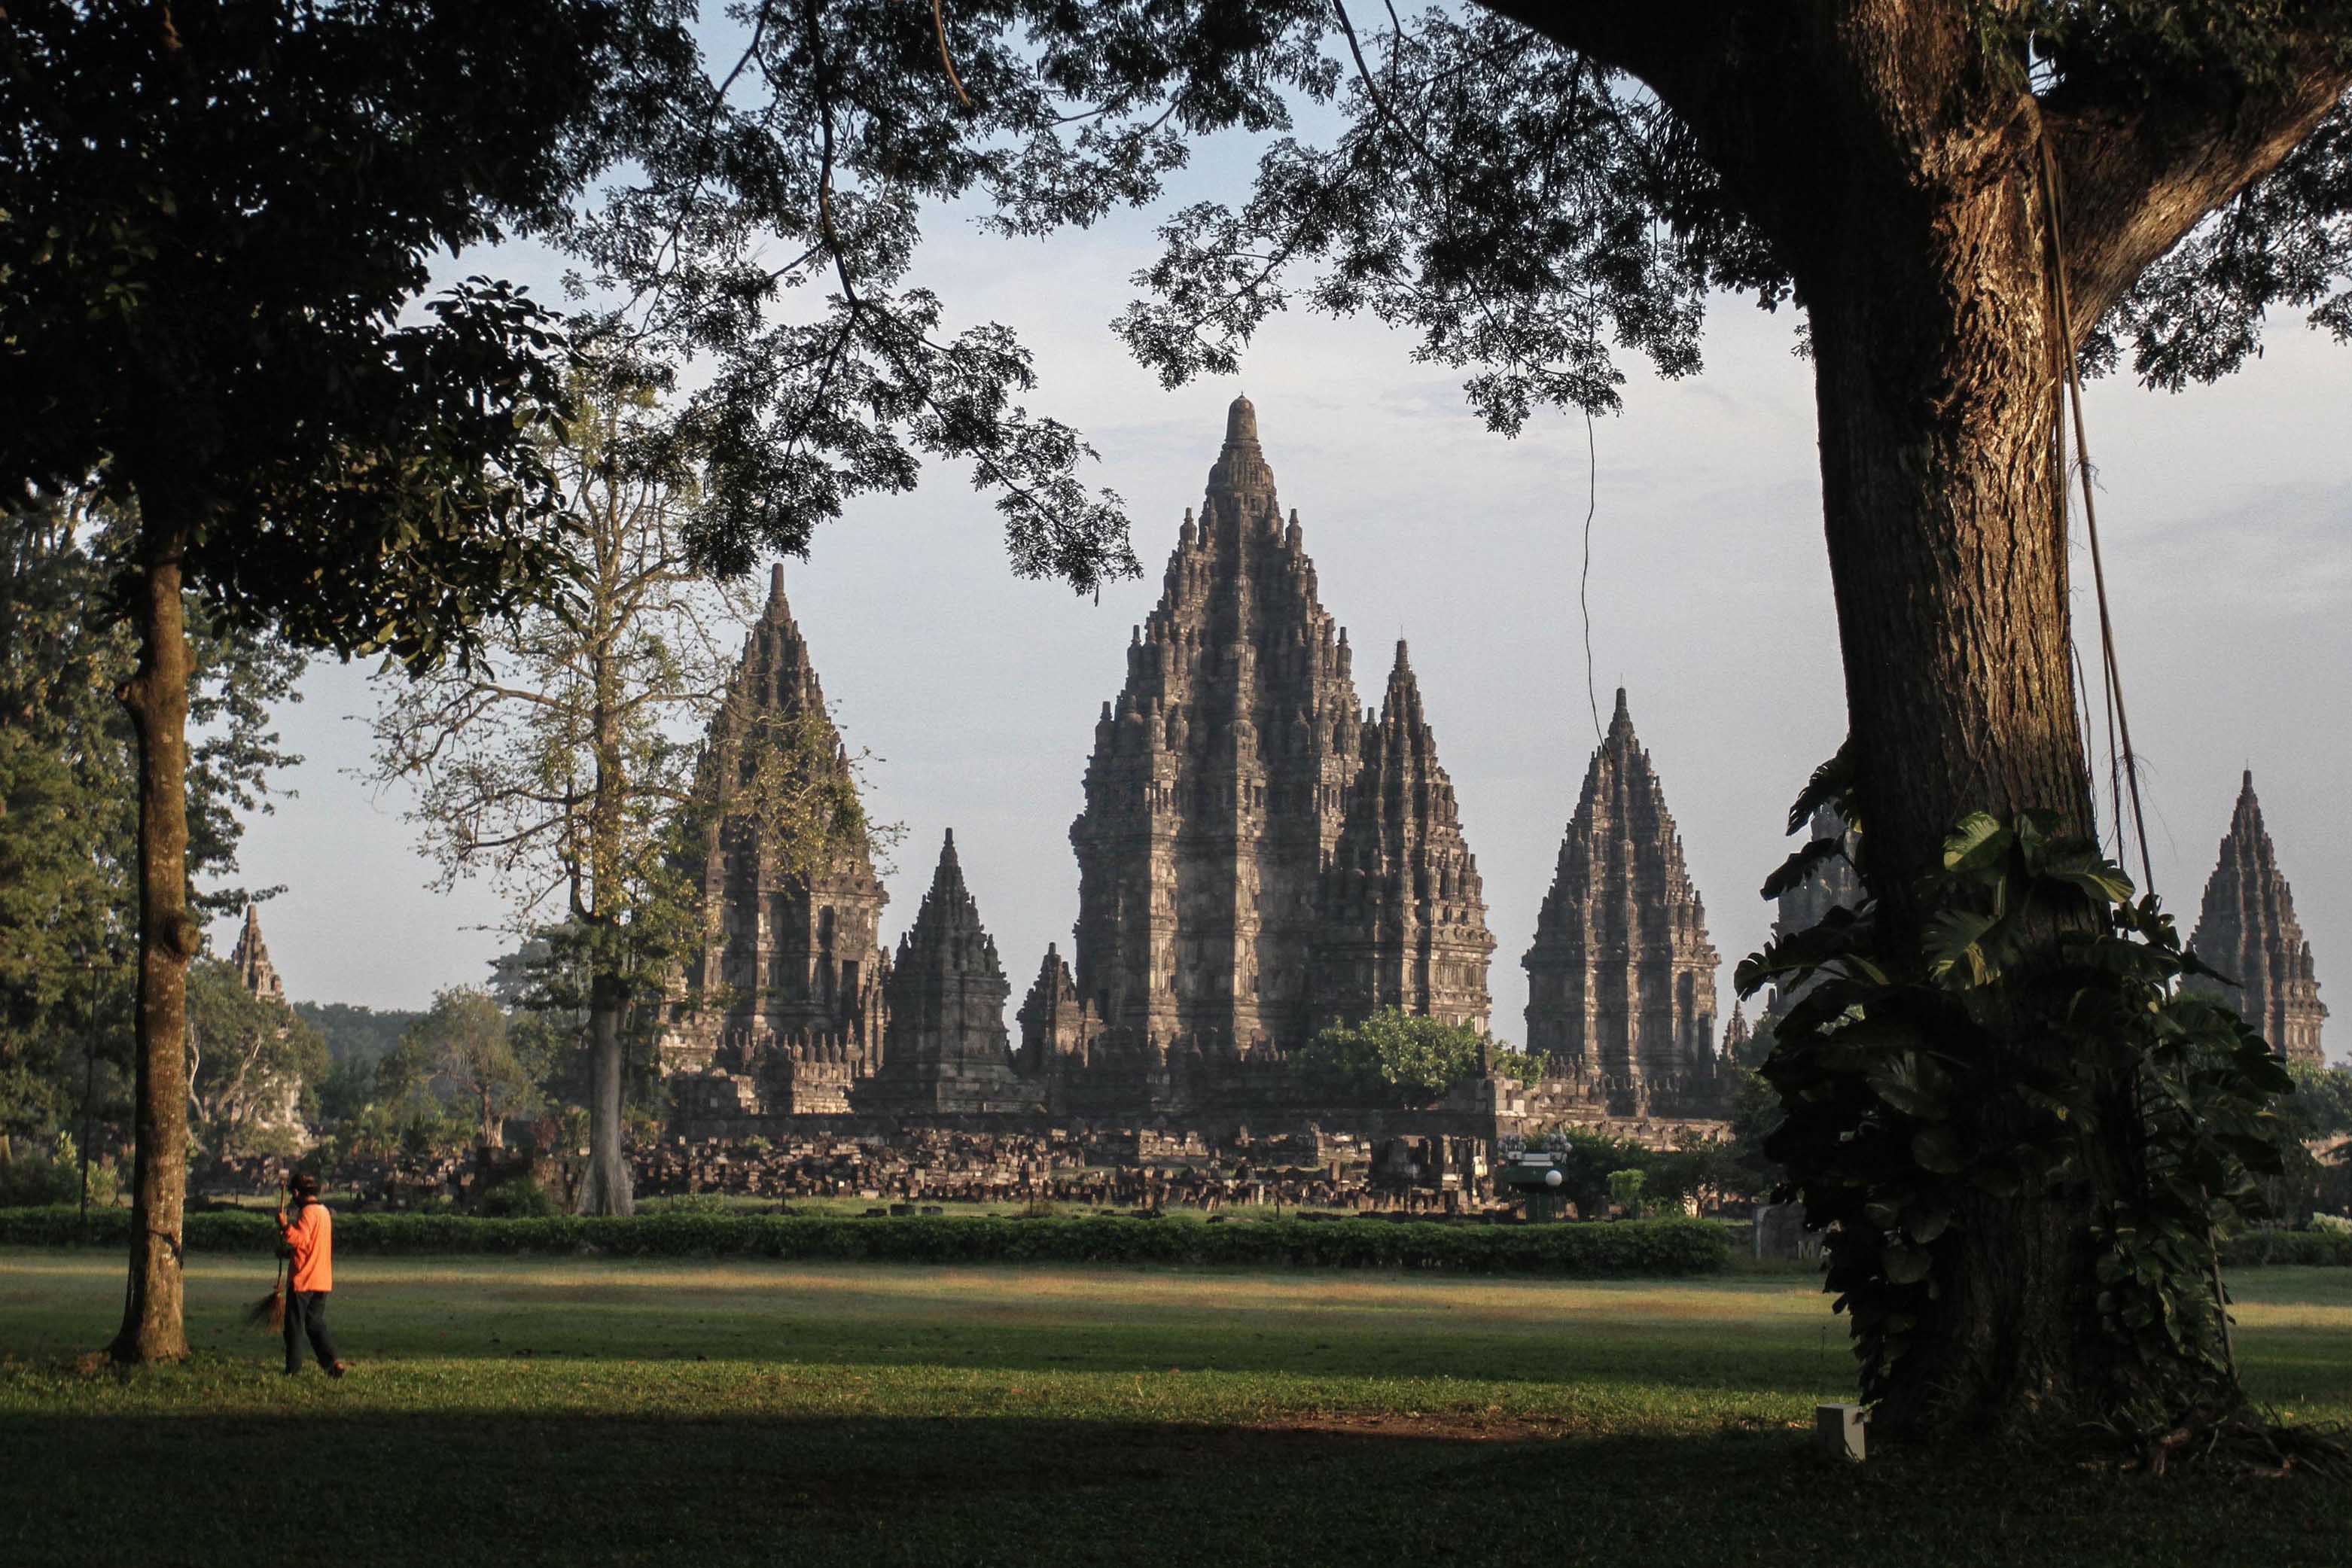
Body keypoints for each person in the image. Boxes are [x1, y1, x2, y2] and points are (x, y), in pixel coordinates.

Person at [277, 1171, 348, 1378]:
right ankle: (332, 1363)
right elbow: (310, 1244)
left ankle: (293, 1370)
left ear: (297, 1192)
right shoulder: (324, 1212)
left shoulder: (307, 1212)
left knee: (294, 1327)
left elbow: (301, 1240)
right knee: (314, 1323)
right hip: (322, 1278)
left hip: (304, 1279)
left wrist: (284, 1226)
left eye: (293, 1195)